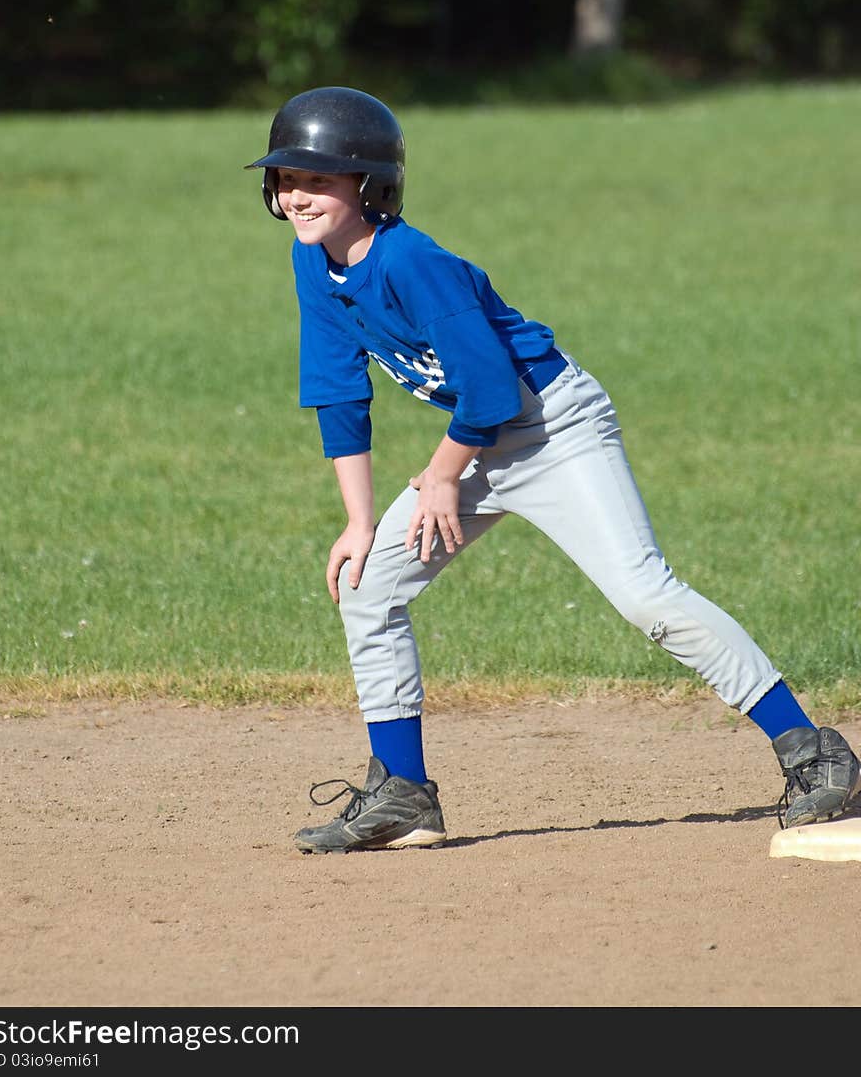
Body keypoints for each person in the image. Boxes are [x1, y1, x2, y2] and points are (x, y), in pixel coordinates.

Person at [246, 85, 859, 854]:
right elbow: (338, 389)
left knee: (646, 597)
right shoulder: (315, 263)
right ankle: (403, 792)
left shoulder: (412, 261)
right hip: (476, 442)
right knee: (368, 584)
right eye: (286, 180)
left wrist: (441, 474)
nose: (297, 196)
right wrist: (360, 522)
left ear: (369, 185)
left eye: (318, 180)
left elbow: (496, 387)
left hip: (554, 427)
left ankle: (814, 753)